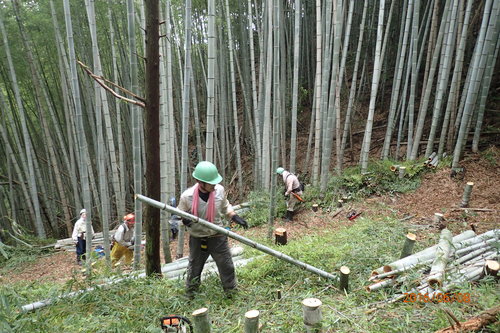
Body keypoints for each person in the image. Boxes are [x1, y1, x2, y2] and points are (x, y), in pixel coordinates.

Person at [177, 161, 249, 298]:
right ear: (200, 182)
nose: (214, 185)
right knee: (194, 269)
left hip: (217, 236)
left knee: (226, 265)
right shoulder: (187, 197)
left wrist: (234, 216)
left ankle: (231, 292)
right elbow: (179, 217)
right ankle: (190, 295)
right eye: (211, 183)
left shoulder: (219, 191)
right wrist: (184, 220)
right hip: (197, 238)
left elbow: (225, 206)